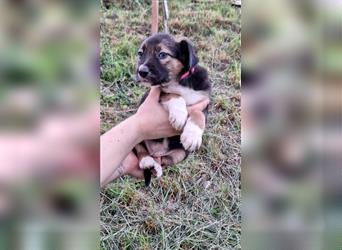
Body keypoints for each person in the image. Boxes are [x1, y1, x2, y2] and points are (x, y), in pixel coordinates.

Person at [100, 86, 209, 187]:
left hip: (170, 145)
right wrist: (140, 127)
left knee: (182, 152)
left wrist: (124, 164)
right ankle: (142, 153)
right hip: (146, 138)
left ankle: (146, 156)